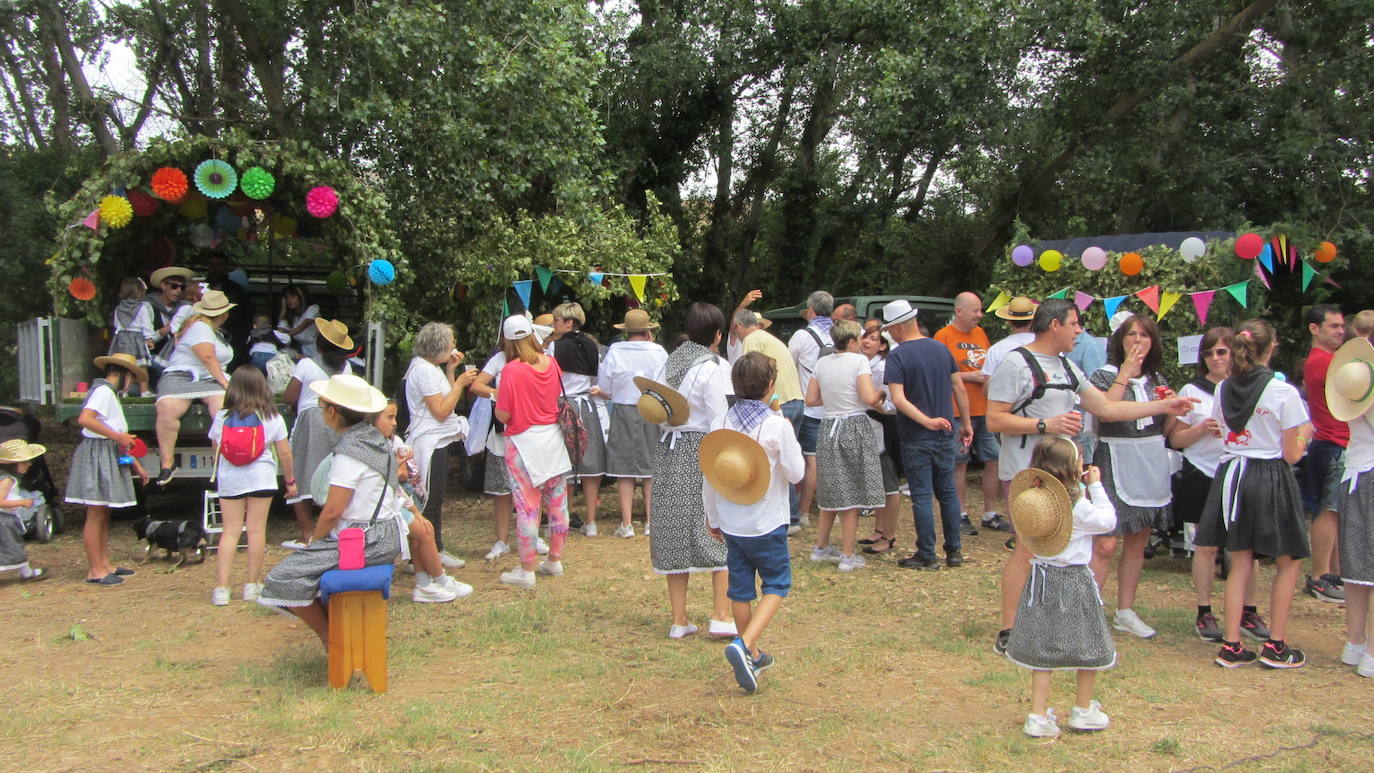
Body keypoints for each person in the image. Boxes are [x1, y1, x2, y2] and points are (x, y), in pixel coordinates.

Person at [985, 299, 1196, 654]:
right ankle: (1008, 630)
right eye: (1075, 324)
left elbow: (1107, 407)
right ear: (1055, 325)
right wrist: (1045, 424)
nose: (1080, 331)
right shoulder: (1015, 364)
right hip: (1027, 471)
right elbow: (993, 420)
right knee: (1027, 549)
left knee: (1060, 549)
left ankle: (1045, 623)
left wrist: (1163, 406)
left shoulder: (1068, 366)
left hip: (1065, 474)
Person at [1195, 319, 1313, 668]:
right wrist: (1306, 434)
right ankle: (1276, 644)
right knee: (1288, 558)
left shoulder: (1223, 388)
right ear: (1271, 347)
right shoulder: (1283, 392)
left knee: (1240, 558)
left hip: (1231, 474)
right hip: (1268, 474)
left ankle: (1231, 645)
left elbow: (1223, 433)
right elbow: (1292, 453)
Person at [258, 374, 402, 645]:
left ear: (332, 412)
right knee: (304, 570)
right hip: (386, 533)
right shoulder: (374, 437)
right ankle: (338, 630)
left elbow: (334, 510)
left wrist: (314, 540)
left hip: (364, 540)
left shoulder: (350, 450)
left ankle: (331, 636)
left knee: (281, 577)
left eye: (323, 405)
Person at [704, 352, 805, 691]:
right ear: (771, 385)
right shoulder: (777, 425)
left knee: (741, 590)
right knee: (777, 584)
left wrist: (713, 518)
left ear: (735, 384)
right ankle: (744, 644)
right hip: (767, 522)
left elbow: (710, 478)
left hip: (732, 523)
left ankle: (754, 654)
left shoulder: (720, 424)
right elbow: (796, 472)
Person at [1005, 438, 1117, 738]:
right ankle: (1082, 710)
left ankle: (1038, 714)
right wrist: (1095, 487)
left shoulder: (1034, 501)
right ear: (1073, 467)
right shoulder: (1078, 506)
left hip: (1040, 581)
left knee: (1043, 648)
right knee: (1087, 643)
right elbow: (1107, 521)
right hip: (1073, 580)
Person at [1168, 328, 1270, 642]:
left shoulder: (1249, 387)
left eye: (1222, 352)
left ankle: (1248, 611)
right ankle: (1204, 610)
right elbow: (1174, 439)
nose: (1215, 358)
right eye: (1209, 353)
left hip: (1239, 469)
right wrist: (1200, 429)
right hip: (1202, 471)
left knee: (1245, 547)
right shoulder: (1192, 389)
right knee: (1206, 545)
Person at [1086, 314, 1177, 640]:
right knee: (1106, 542)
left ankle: (1125, 610)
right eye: (1132, 334)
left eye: (1145, 335)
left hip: (1149, 459)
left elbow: (1164, 429)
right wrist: (1125, 372)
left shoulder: (1157, 380)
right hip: (1114, 456)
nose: (1138, 341)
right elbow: (1105, 411)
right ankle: (1090, 611)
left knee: (1138, 541)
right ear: (1120, 340)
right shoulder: (1102, 375)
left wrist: (1174, 413)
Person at [648, 302, 736, 637]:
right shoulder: (714, 367)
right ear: (717, 334)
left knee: (671, 525)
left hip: (669, 449)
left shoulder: (668, 363)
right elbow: (718, 417)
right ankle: (720, 614)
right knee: (715, 524)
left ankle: (679, 620)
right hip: (701, 448)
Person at [882, 300, 972, 570]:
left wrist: (926, 421)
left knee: (922, 495)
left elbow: (898, 399)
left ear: (897, 328)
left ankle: (927, 554)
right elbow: (960, 388)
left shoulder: (898, 356)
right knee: (947, 493)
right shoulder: (941, 348)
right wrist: (965, 423)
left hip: (917, 434)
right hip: (947, 430)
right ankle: (954, 551)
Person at [494, 315, 573, 588]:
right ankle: (554, 558)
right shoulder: (551, 363)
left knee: (528, 508)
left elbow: (503, 414)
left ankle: (526, 569)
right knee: (557, 503)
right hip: (553, 438)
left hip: (522, 442)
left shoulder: (512, 370)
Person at [208, 366, 295, 606]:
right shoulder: (272, 417)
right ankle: (252, 585)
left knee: (230, 532)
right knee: (256, 532)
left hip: (230, 480)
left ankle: (222, 589)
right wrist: (290, 480)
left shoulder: (222, 416)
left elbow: (216, 447)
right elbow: (285, 453)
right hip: (261, 477)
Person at [806, 319, 886, 571]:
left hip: (828, 427)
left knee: (832, 490)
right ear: (851, 341)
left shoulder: (822, 362)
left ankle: (820, 547)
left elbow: (811, 399)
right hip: (853, 425)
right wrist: (882, 393)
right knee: (852, 492)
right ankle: (848, 555)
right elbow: (869, 397)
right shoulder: (859, 361)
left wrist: (834, 401)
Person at [373, 401, 472, 602]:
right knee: (425, 531)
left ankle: (424, 582)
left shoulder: (390, 442)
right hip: (380, 506)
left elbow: (398, 479)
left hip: (393, 499)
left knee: (420, 530)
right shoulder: (374, 448)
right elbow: (390, 479)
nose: (394, 423)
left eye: (394, 417)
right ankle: (439, 580)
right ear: (372, 421)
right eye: (389, 417)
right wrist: (398, 466)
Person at [66, 353, 150, 585]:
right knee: (95, 513)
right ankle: (95, 570)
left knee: (104, 512)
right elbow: (85, 419)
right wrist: (117, 436)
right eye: (132, 377)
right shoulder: (103, 392)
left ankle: (104, 564)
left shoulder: (110, 394)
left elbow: (119, 435)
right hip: (97, 453)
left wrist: (135, 462)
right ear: (126, 374)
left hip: (110, 451)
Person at [402, 321, 476, 566]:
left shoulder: (431, 368)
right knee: (429, 501)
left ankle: (435, 548)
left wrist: (451, 371)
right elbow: (442, 411)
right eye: (451, 343)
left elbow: (446, 399)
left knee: (435, 499)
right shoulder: (423, 371)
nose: (455, 346)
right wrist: (460, 384)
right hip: (429, 442)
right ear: (439, 346)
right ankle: (425, 555)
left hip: (439, 439)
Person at [728, 307, 806, 532]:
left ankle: (788, 518)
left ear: (739, 326)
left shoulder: (751, 340)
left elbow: (750, 375)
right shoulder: (769, 338)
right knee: (787, 459)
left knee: (775, 462)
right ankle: (792, 515)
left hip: (777, 403)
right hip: (795, 400)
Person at [281, 320, 355, 548]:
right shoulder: (347, 368)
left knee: (302, 473)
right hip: (337, 420)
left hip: (312, 419)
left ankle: (306, 534)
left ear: (319, 344)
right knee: (335, 476)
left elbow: (289, 397)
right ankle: (332, 531)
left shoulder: (306, 365)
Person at [595, 309, 668, 538]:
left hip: (624, 409)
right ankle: (651, 523)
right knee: (650, 467)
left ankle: (626, 524)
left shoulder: (616, 350)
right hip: (651, 408)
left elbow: (604, 385)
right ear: (648, 330)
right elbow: (667, 384)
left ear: (627, 331)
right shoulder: (658, 351)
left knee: (624, 468)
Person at [934, 291, 1004, 535]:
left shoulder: (980, 334)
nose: (979, 315)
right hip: (955, 411)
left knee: (994, 459)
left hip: (984, 409)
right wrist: (969, 377)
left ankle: (990, 513)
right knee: (959, 463)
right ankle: (960, 514)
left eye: (981, 310)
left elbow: (986, 365)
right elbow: (938, 372)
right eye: (975, 310)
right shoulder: (943, 336)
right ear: (959, 311)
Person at [153, 289, 236, 486]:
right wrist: (224, 383)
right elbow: (207, 357)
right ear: (225, 314)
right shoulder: (200, 327)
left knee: (222, 411)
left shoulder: (216, 332)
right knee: (166, 408)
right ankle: (167, 463)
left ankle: (221, 462)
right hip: (182, 375)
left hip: (210, 378)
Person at [1328, 336, 1374, 676]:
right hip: (1368, 475)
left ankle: (1355, 642)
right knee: (1364, 568)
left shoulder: (1355, 393)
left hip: (1353, 473)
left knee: (1357, 568)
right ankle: (1371, 652)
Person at [1300, 303, 1347, 603]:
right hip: (1332, 441)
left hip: (1337, 441)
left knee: (1336, 511)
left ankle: (1335, 573)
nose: (1340, 331)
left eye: (1342, 326)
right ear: (1314, 329)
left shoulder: (1329, 360)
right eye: (1333, 326)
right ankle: (1319, 576)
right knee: (1328, 511)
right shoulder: (1323, 361)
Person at [551, 302, 607, 533]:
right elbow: (597, 380)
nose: (553, 325)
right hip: (586, 405)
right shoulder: (591, 346)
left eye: (556, 320)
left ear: (568, 322)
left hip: (563, 406)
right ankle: (591, 521)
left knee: (562, 463)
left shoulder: (553, 348)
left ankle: (562, 516)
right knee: (591, 463)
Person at [788, 291, 836, 526]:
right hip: (835, 407)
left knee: (811, 460)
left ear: (810, 311)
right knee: (830, 458)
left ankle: (804, 512)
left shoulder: (803, 335)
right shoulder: (839, 334)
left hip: (809, 407)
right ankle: (833, 510)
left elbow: (788, 365)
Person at [858, 325, 903, 554]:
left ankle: (889, 535)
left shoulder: (883, 367)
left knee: (889, 484)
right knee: (877, 482)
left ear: (883, 345)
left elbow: (892, 403)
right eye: (865, 336)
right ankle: (879, 528)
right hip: (870, 426)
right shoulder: (864, 364)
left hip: (884, 427)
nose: (866, 341)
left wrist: (875, 402)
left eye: (873, 339)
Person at [0, 440, 51, 582]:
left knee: (14, 545)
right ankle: (26, 573)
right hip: (3, 520)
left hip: (7, 518)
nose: (29, 464)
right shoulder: (7, 480)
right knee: (12, 545)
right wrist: (23, 502)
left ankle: (26, 571)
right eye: (24, 462)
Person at [107, 277, 156, 397]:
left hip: (121, 339)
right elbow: (147, 325)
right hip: (136, 339)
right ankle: (144, 391)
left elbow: (117, 325)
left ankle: (124, 391)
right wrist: (149, 339)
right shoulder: (142, 307)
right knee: (141, 366)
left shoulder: (119, 308)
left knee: (125, 366)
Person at [980, 296, 1037, 391]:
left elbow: (987, 388)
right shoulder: (1047, 345)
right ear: (1033, 320)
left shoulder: (996, 350)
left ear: (1009, 321)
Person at [146, 266, 191, 369]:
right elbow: (140, 340)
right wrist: (164, 331)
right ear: (163, 285)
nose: (179, 290)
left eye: (182, 287)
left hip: (174, 363)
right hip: (149, 361)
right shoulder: (147, 306)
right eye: (174, 286)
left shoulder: (185, 308)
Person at [278, 285, 320, 358]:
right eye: (287, 298)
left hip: (316, 349)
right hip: (303, 351)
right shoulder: (290, 317)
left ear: (301, 297)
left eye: (292, 297)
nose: (289, 300)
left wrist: (286, 336)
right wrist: (283, 309)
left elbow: (302, 327)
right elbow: (280, 332)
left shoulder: (313, 309)